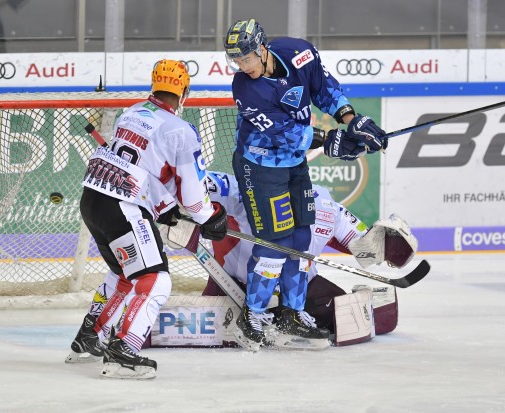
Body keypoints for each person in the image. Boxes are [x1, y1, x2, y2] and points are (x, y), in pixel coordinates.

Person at [223, 18, 388, 351]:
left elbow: (325, 89)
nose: (242, 66)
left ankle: (291, 315)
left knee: (301, 235)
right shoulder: (245, 87)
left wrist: (351, 120)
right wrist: (331, 141)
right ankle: (252, 315)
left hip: (293, 164)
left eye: (246, 58)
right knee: (275, 239)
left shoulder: (300, 53)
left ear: (261, 47)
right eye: (236, 61)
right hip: (260, 164)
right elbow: (284, 133)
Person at [66, 59, 228, 379]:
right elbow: (195, 200)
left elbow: (140, 168)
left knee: (125, 274)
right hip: (122, 206)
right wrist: (212, 216)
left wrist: (164, 205)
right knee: (155, 280)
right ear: (184, 92)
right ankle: (124, 351)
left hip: (94, 198)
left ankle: (90, 338)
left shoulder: (132, 111)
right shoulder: (181, 130)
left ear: (155, 85)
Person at [199, 171, 417, 347]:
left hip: (301, 288)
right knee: (208, 319)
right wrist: (194, 208)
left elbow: (365, 245)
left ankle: (285, 317)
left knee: (344, 316)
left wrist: (387, 244)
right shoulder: (249, 190)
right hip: (232, 284)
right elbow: (198, 181)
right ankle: (262, 315)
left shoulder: (325, 205)